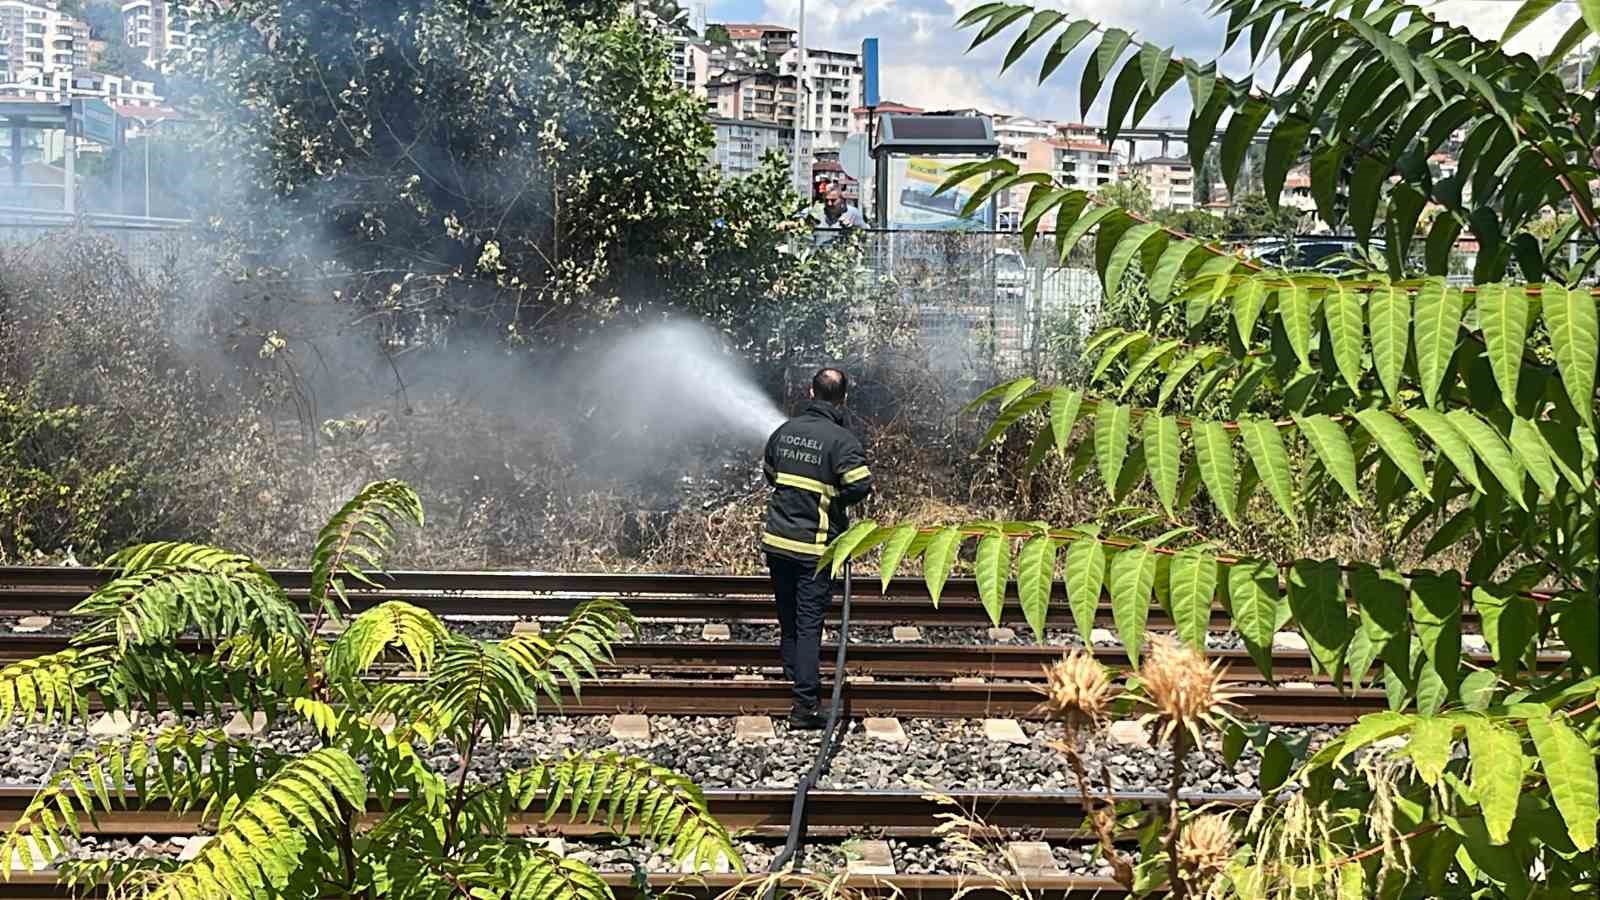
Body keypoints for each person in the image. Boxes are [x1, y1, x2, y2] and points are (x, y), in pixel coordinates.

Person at [760, 368, 873, 729]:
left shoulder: (783, 432)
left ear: (810, 391)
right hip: (815, 547)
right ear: (843, 398)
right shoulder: (843, 441)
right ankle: (805, 706)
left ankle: (796, 677)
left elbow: (770, 473)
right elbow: (860, 486)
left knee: (789, 620)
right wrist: (832, 495)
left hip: (777, 543)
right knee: (810, 625)